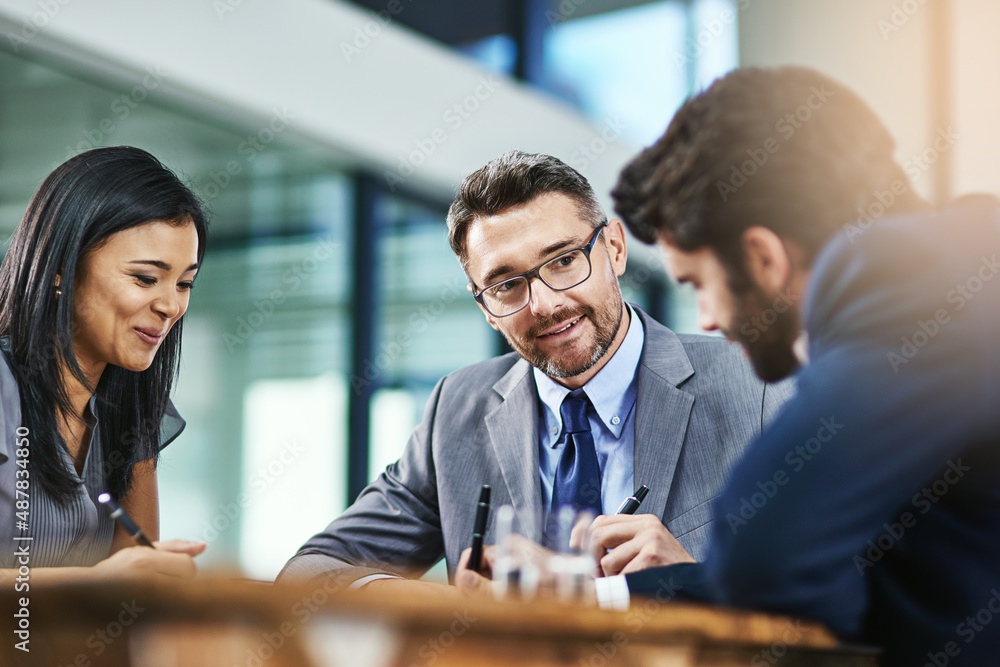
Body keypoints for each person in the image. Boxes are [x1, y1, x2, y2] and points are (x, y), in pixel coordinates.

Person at [608, 66, 1000, 666]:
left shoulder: (906, 279)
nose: (706, 319)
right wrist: (610, 593)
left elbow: (764, 561)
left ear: (763, 257)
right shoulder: (958, 269)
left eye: (699, 285)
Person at [280, 151, 791, 591]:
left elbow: (849, 591)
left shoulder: (760, 387)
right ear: (483, 304)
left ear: (614, 248)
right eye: (506, 285)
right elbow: (310, 573)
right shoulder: (456, 410)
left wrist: (690, 581)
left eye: (564, 260)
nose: (544, 305)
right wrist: (467, 609)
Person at [0, 146, 209, 582]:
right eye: (145, 279)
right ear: (61, 268)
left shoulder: (132, 406)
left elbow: (132, 591)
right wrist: (93, 585)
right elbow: (111, 584)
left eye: (185, 283)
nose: (171, 305)